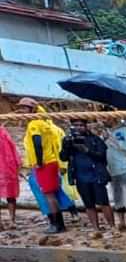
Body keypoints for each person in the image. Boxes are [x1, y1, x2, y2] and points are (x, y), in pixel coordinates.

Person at [18, 98, 74, 233]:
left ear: (32, 109)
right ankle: (59, 222)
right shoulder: (44, 122)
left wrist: (38, 161)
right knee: (52, 192)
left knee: (48, 194)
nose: (23, 111)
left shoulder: (34, 124)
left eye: (25, 108)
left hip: (44, 163)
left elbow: (37, 143)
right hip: (51, 161)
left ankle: (57, 224)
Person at [60, 119, 114, 232]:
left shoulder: (95, 139)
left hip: (96, 175)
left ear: (86, 126)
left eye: (81, 125)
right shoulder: (69, 140)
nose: (79, 128)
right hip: (80, 177)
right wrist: (66, 146)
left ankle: (112, 227)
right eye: (75, 125)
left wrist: (87, 150)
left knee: (104, 202)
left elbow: (103, 156)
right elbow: (63, 158)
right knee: (88, 204)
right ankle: (95, 228)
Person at [0, 123, 19, 230]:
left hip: (6, 167)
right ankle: (12, 220)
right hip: (7, 167)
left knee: (10, 195)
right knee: (10, 196)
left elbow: (12, 150)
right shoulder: (5, 133)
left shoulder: (4, 133)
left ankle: (11, 220)